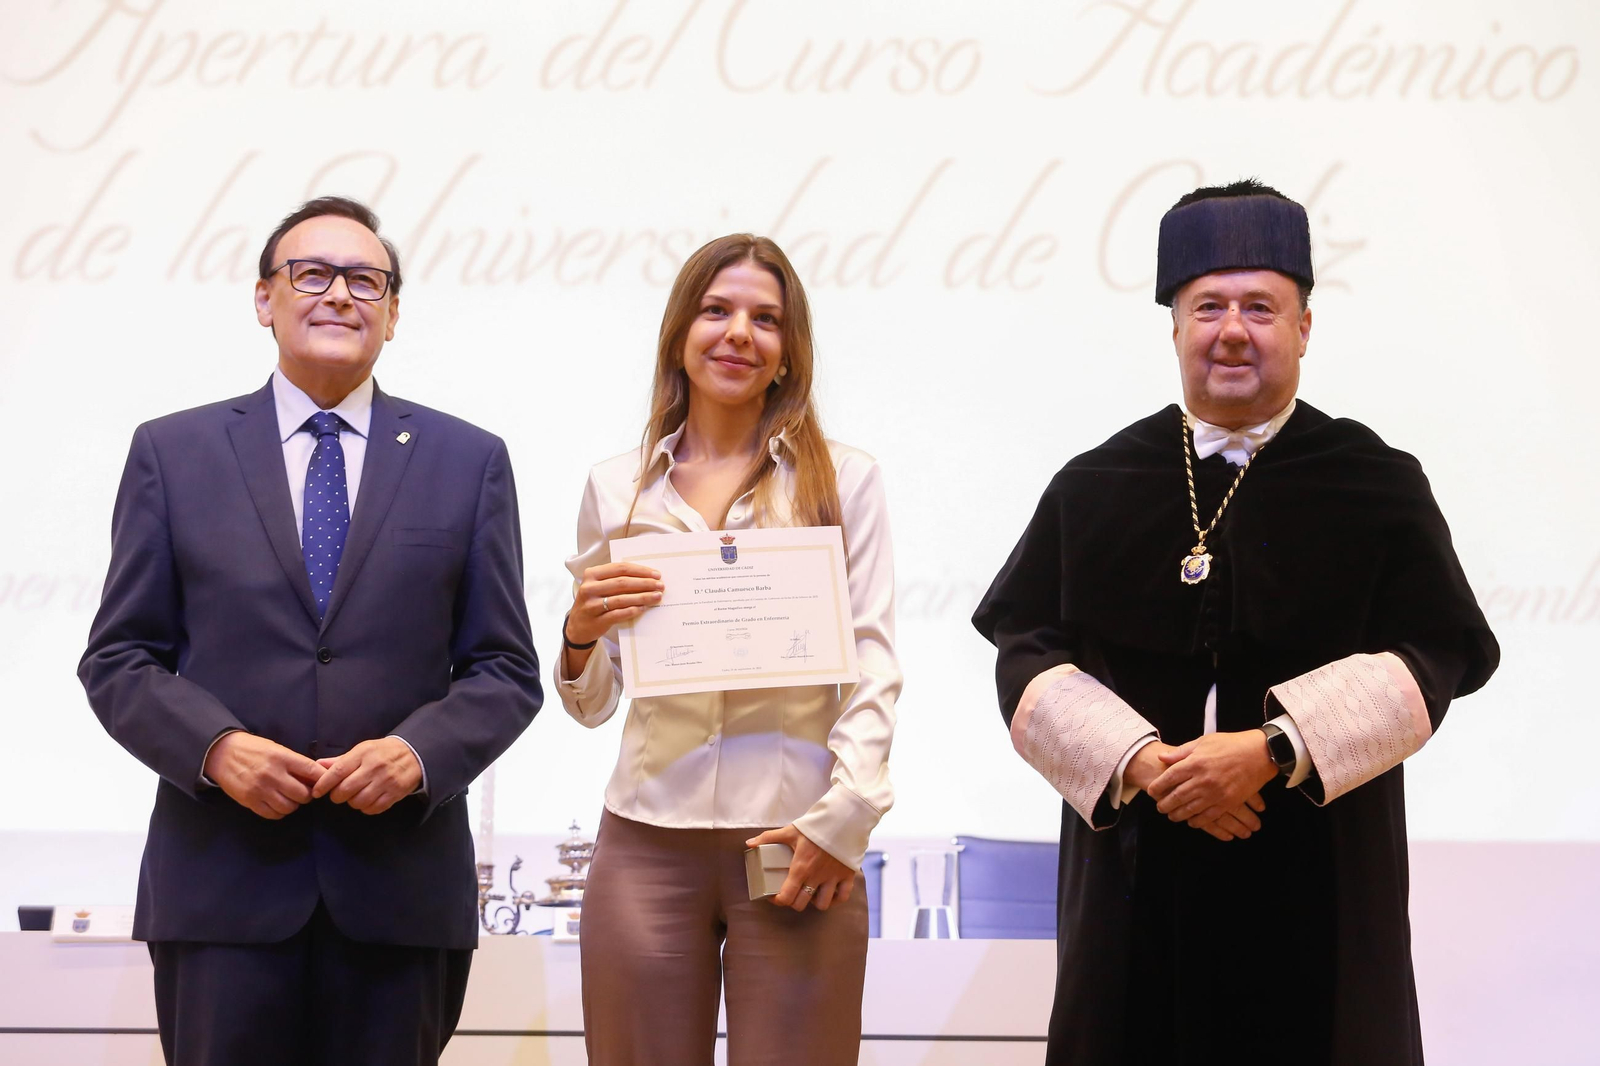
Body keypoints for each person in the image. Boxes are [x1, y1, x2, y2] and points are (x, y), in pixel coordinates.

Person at [972, 179, 1499, 1065]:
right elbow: (1027, 648)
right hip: (1138, 867)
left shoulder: (1374, 480)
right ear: (1174, 325)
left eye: (1261, 306)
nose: (1232, 330)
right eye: (1207, 305)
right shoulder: (1095, 483)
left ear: (1303, 326)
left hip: (1318, 872)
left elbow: (1434, 652)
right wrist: (1143, 762)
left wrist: (1270, 752)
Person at [78, 196, 542, 1066]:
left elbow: (505, 669)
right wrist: (214, 748)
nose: (340, 295)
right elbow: (119, 658)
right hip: (221, 889)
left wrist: (418, 756)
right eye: (312, 274)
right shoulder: (173, 453)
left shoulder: (467, 460)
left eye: (366, 280)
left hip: (398, 897)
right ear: (266, 299)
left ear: (394, 312)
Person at [555, 234, 899, 1065]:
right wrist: (578, 636)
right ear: (681, 334)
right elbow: (595, 702)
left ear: (789, 351)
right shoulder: (617, 485)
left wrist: (844, 819)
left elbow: (875, 664)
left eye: (765, 319)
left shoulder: (842, 480)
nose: (739, 332)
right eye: (716, 310)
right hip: (643, 837)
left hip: (796, 840)